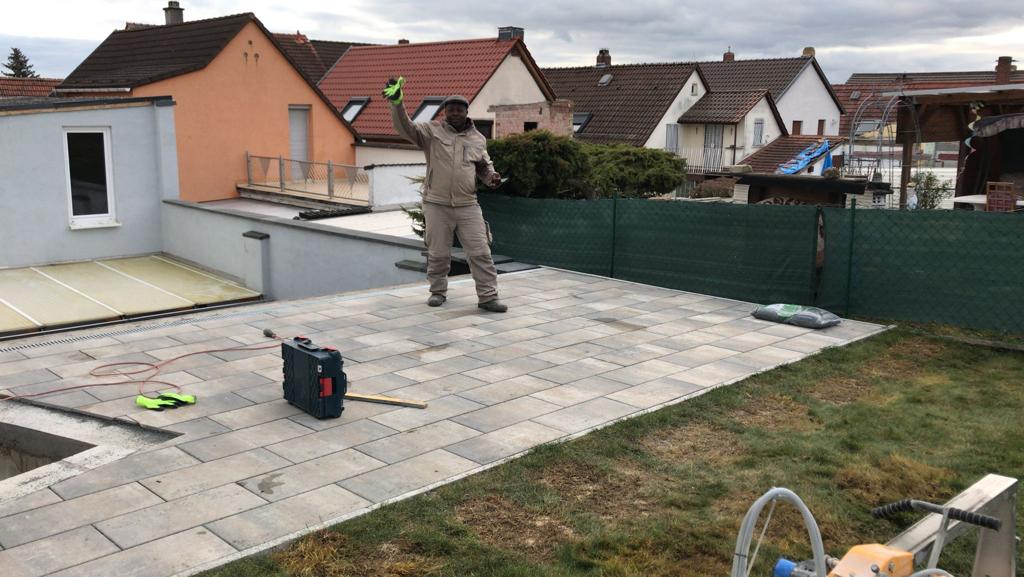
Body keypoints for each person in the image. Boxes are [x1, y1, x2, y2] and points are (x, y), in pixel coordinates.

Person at [383, 77, 507, 312]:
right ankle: (438, 292)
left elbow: (483, 167)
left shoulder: (478, 139)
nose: (455, 113)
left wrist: (491, 177)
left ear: (467, 112)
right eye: (450, 110)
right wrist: (397, 103)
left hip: (468, 205)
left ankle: (488, 297)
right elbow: (405, 127)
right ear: (444, 112)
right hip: (436, 204)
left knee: (481, 252)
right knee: (438, 254)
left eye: (459, 109)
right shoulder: (431, 131)